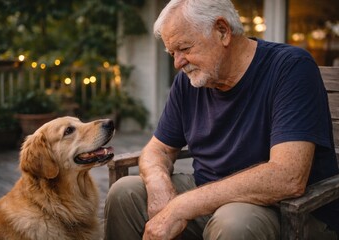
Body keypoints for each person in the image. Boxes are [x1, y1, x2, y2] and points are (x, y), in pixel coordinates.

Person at [105, 0, 339, 239]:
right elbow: (159, 149)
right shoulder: (189, 82)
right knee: (125, 193)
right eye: (172, 53)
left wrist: (181, 206)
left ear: (222, 32)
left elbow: (288, 176)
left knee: (234, 223)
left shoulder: (290, 68)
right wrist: (157, 181)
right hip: (209, 196)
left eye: (184, 48)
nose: (177, 63)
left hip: (285, 209)